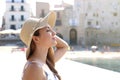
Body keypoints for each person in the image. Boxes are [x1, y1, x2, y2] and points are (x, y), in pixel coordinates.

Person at [20, 11, 69, 80]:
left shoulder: (45, 62)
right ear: (36, 39)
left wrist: (51, 36)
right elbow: (64, 46)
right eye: (48, 30)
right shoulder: (34, 68)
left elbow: (64, 47)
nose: (54, 32)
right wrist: (52, 37)